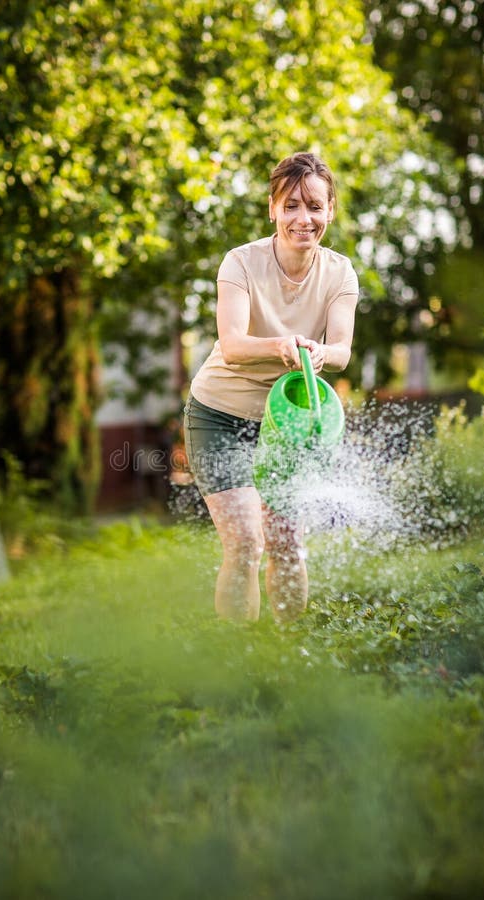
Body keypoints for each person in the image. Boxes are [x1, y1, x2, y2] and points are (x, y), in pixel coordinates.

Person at [184, 152, 359, 623]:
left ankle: (288, 659)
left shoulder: (340, 273)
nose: (304, 218)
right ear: (272, 208)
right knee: (245, 543)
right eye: (292, 206)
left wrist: (322, 353)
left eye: (315, 207)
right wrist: (282, 345)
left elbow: (342, 349)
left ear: (330, 211)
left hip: (286, 427)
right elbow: (233, 345)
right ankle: (238, 666)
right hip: (218, 414)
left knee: (287, 543)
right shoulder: (241, 263)